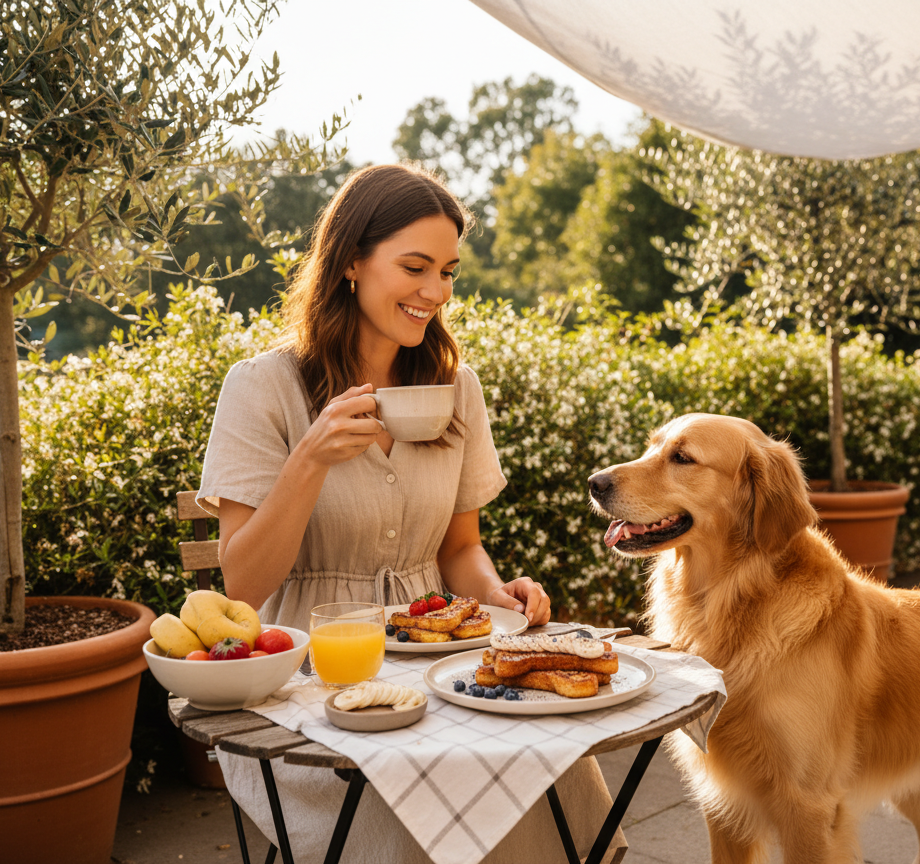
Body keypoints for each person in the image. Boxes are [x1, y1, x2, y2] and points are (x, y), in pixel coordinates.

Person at [197, 164, 626, 863]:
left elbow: (460, 548)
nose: (435, 293)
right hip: (309, 678)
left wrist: (491, 593)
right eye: (415, 267)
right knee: (409, 802)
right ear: (351, 264)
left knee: (543, 760)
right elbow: (241, 586)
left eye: (449, 271)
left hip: (440, 654)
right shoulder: (262, 387)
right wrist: (310, 459)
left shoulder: (457, 387)